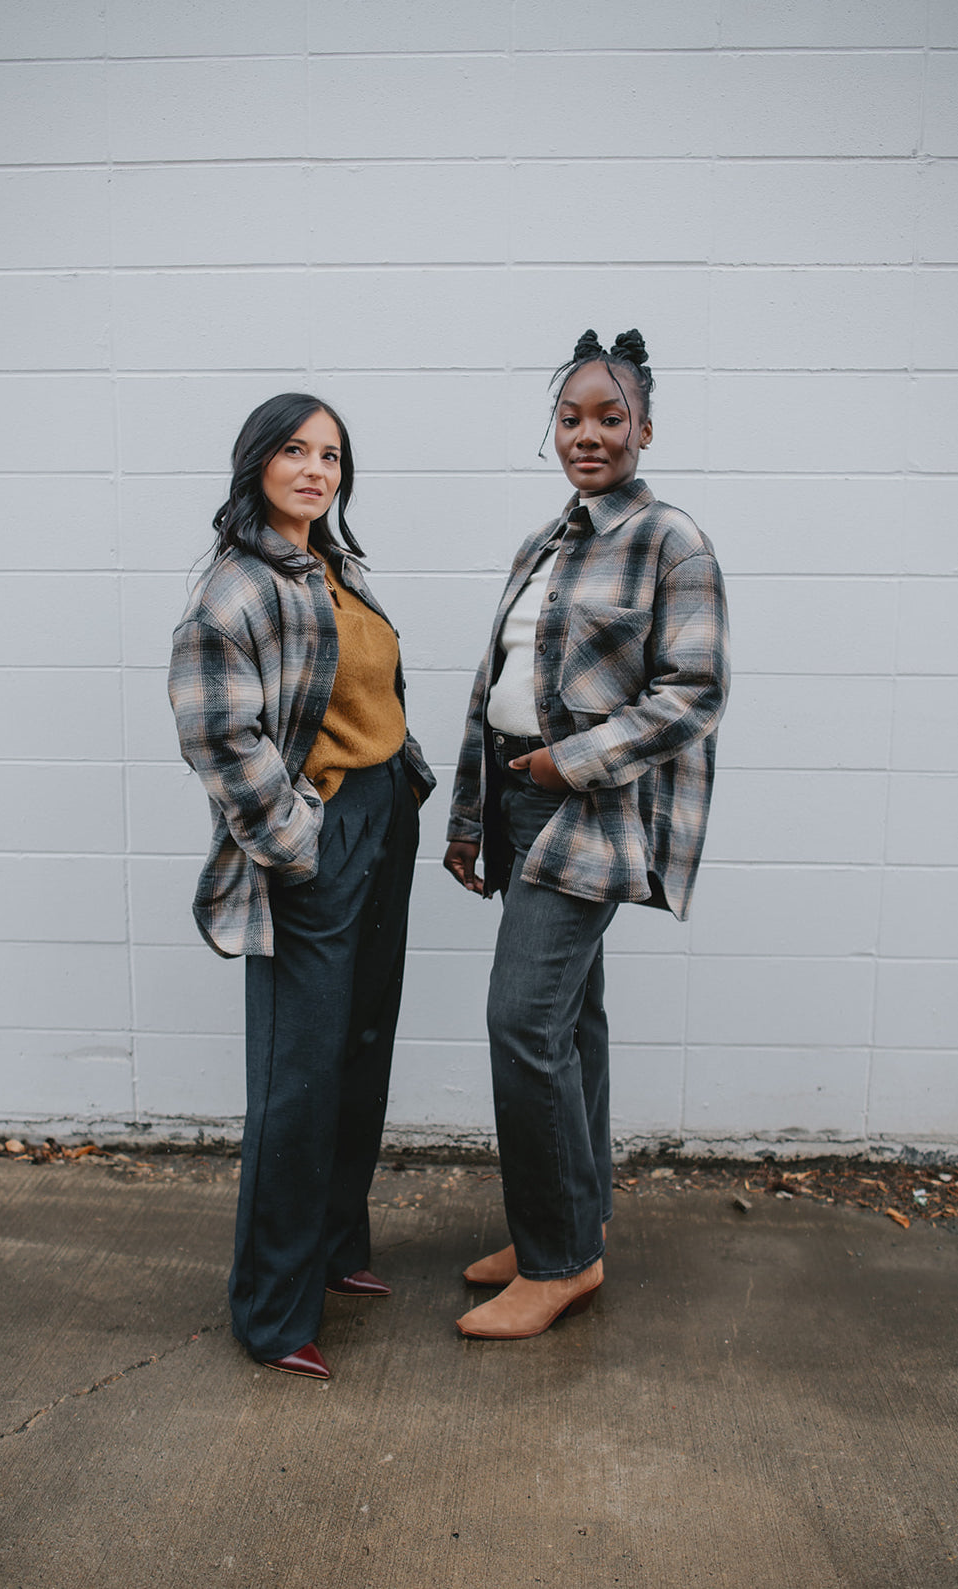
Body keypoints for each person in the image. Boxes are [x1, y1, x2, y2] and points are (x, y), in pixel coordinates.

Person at [444, 329, 729, 1341]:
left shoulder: (671, 542)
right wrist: (473, 816)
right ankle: (568, 1221)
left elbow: (693, 692)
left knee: (522, 1021)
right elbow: (493, 687)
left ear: (646, 428)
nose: (588, 435)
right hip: (520, 798)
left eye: (611, 417)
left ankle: (560, 1260)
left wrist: (570, 763)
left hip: (588, 810)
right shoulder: (545, 542)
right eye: (570, 418)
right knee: (568, 1022)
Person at [168, 393, 434, 1380]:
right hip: (317, 836)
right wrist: (294, 840)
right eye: (295, 450)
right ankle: (273, 1312)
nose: (316, 469)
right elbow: (216, 731)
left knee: (360, 1044)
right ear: (258, 463)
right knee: (300, 1073)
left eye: (330, 454)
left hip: (382, 817)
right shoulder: (233, 589)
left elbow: (370, 691)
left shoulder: (334, 565)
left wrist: (404, 776)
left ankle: (332, 1247)